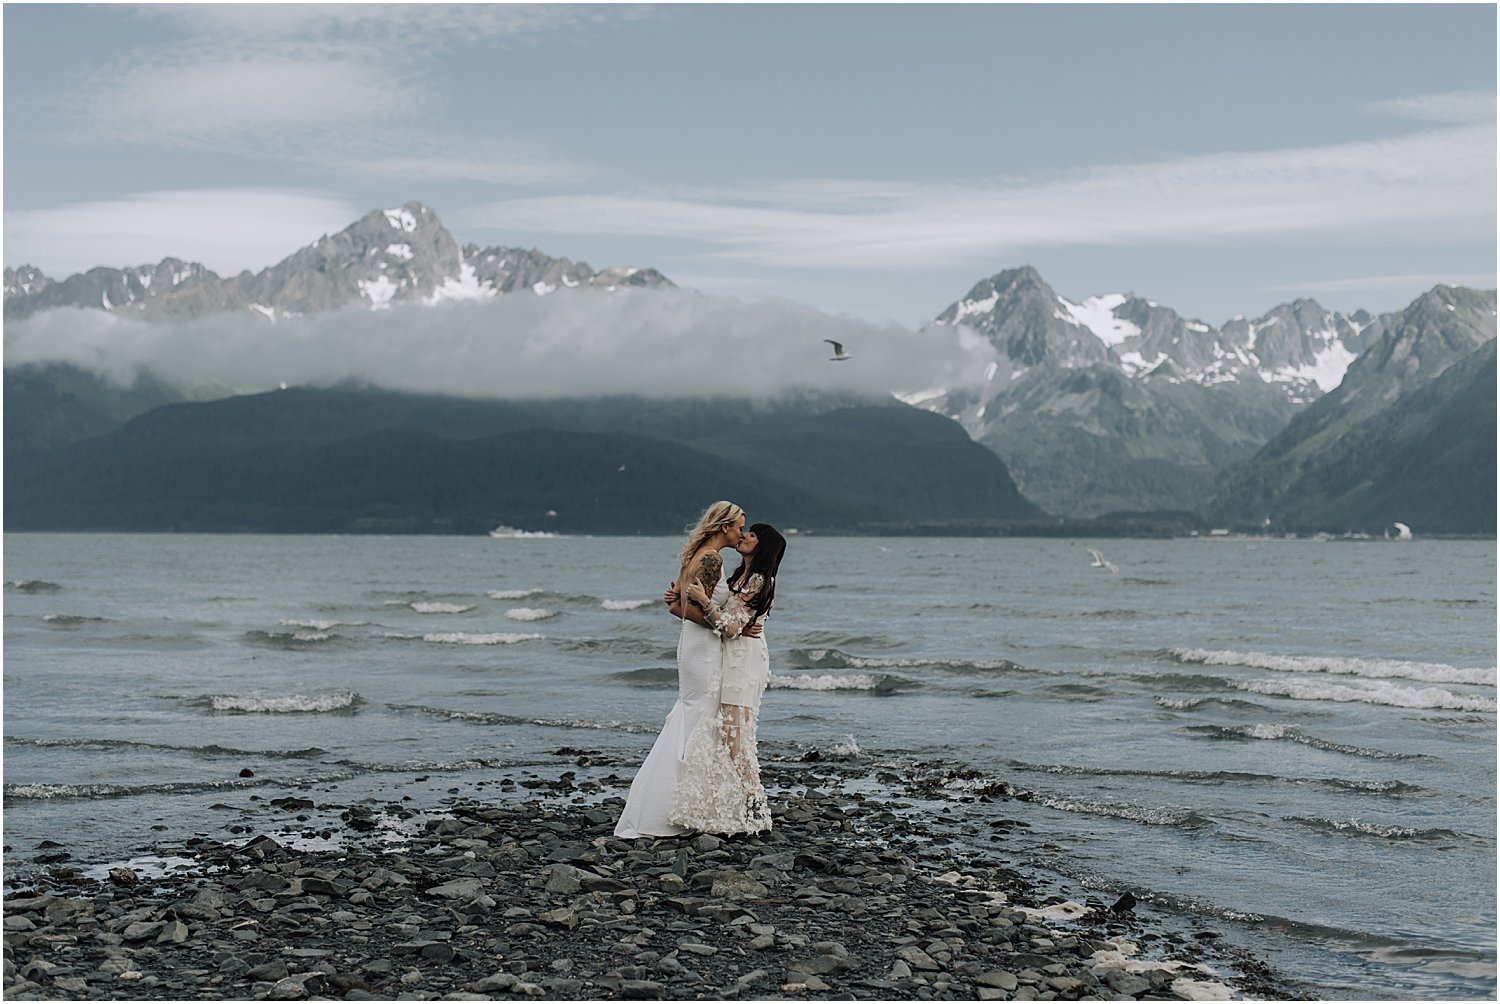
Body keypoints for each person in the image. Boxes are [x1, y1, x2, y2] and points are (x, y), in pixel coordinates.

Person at [614, 501, 748, 839]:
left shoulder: (694, 555)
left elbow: (677, 608)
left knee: (691, 715)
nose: (741, 534)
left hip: (690, 643)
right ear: (724, 527)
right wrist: (732, 626)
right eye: (738, 527)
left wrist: (702, 612)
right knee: (701, 719)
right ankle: (676, 809)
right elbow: (698, 611)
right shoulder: (712, 559)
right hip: (701, 647)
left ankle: (668, 805)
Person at [677, 522, 787, 834]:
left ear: (762, 546)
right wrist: (685, 598)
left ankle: (755, 803)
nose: (745, 536)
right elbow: (732, 623)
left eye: (752, 535)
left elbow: (730, 627)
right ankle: (737, 801)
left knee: (735, 737)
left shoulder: (759, 581)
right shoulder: (741, 576)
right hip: (734, 655)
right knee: (730, 735)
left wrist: (703, 598)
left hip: (745, 660)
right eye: (747, 531)